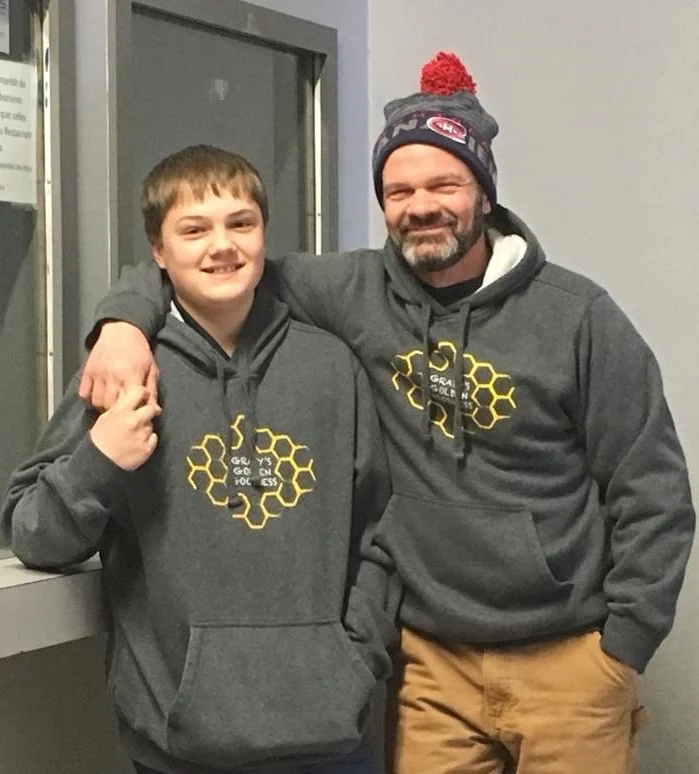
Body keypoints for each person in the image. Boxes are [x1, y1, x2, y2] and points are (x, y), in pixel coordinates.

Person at [78, 53, 695, 774]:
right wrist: (121, 322)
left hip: (567, 658)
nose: (420, 205)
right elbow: (216, 265)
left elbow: (652, 488)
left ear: (484, 193)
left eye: (444, 184)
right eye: (399, 190)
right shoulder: (352, 291)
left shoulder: (577, 316)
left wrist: (623, 645)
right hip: (427, 668)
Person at [2, 145, 400, 774]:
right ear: (158, 254)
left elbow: (379, 530)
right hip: (180, 744)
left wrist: (356, 658)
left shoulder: (332, 367)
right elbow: (33, 534)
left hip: (331, 734)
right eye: (194, 230)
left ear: (264, 233)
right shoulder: (123, 371)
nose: (222, 245)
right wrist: (99, 460)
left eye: (241, 223)